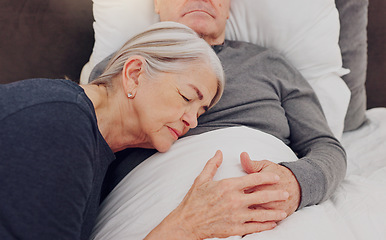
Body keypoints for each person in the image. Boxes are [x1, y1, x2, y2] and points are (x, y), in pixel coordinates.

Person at [1, 22, 289, 240]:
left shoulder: (94, 150)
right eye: (187, 98)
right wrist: (184, 226)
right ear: (135, 74)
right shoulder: (60, 124)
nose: (193, 121)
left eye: (201, 111)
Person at [90, 0, 347, 238]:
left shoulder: (270, 63)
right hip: (154, 209)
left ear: (228, 8)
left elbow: (326, 146)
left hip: (272, 216)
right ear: (157, 3)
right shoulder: (124, 67)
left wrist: (296, 184)